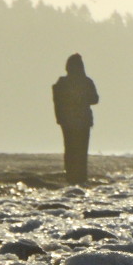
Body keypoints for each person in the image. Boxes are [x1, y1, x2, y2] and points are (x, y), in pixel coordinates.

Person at [52, 53, 98, 184]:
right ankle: (79, 177)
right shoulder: (86, 81)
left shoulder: (62, 83)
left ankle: (72, 177)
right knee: (81, 151)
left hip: (69, 122)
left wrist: (60, 118)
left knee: (71, 150)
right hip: (80, 122)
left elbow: (57, 102)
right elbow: (95, 99)